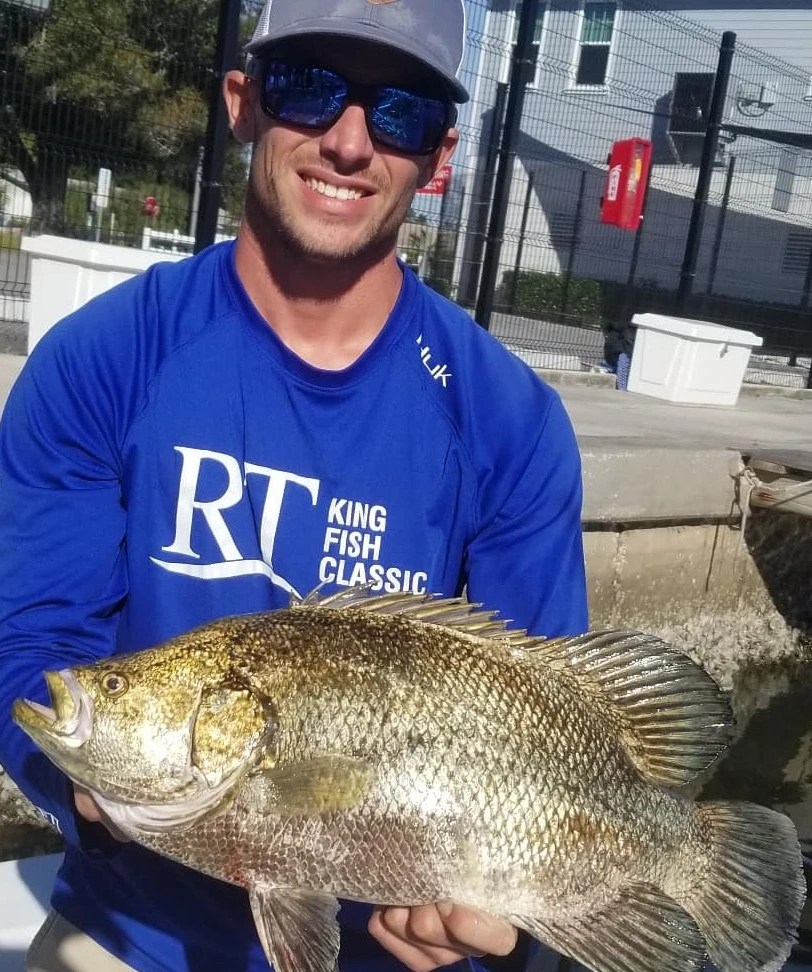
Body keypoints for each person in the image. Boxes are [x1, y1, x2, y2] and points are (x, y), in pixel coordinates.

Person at [0, 0, 588, 969]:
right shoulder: (101, 365)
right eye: (309, 85)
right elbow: (30, 647)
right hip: (130, 936)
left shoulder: (510, 425)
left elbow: (552, 727)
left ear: (436, 158)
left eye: (398, 111)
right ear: (241, 102)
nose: (350, 141)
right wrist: (93, 789)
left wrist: (508, 934)